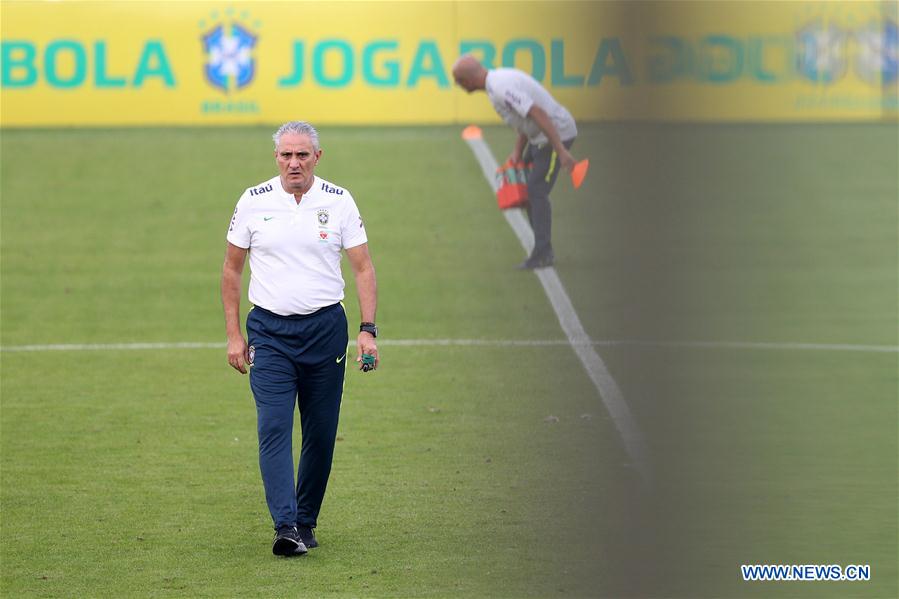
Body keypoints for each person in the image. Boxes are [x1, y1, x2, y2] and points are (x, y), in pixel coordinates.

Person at [220, 121, 379, 557]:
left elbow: (363, 267)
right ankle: (285, 525)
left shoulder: (340, 201)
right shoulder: (253, 202)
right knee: (273, 427)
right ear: (276, 158)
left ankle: (306, 522)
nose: (294, 163)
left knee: (321, 433)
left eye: (302, 155)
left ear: (317, 157)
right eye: (286, 155)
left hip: (326, 331)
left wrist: (367, 330)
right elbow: (232, 269)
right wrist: (234, 335)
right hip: (269, 333)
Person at [452, 54, 579, 269]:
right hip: (541, 137)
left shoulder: (501, 88)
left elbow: (537, 113)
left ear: (468, 80)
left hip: (555, 134)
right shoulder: (496, 85)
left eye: (458, 81)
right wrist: (517, 152)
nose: (458, 85)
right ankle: (542, 249)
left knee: (536, 191)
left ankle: (543, 252)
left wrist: (561, 150)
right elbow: (525, 118)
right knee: (529, 188)